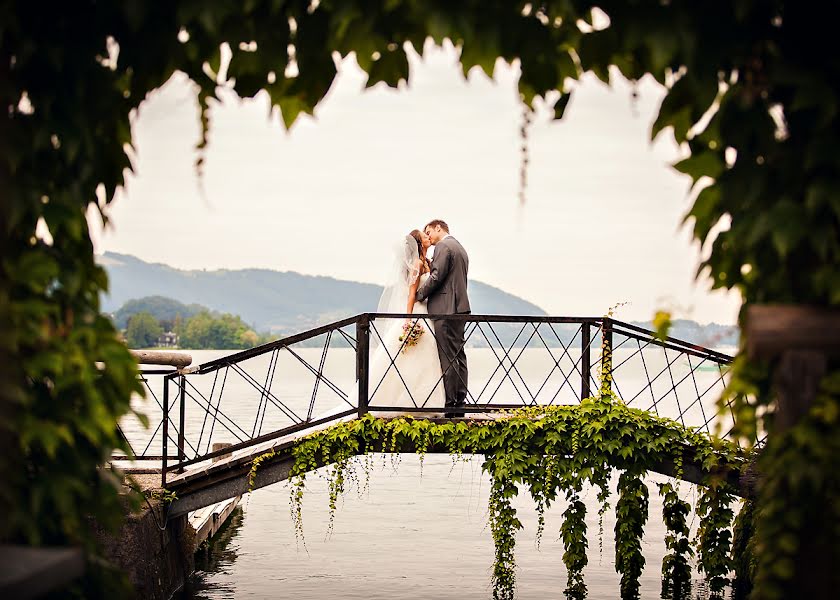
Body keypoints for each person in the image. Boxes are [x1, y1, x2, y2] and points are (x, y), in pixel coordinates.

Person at [366, 230, 446, 417]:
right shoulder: (417, 264)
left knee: (428, 356)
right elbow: (411, 293)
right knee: (413, 354)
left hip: (426, 313)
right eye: (425, 236)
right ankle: (404, 402)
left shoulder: (426, 262)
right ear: (419, 242)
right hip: (417, 312)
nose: (428, 237)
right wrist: (408, 319)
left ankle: (427, 402)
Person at [415, 219, 471, 417]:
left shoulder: (443, 246)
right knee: (459, 356)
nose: (428, 236)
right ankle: (460, 402)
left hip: (445, 310)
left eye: (429, 231)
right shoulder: (460, 248)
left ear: (439, 228)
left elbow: (437, 276)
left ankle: (450, 405)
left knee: (448, 357)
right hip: (460, 308)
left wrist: (419, 295)